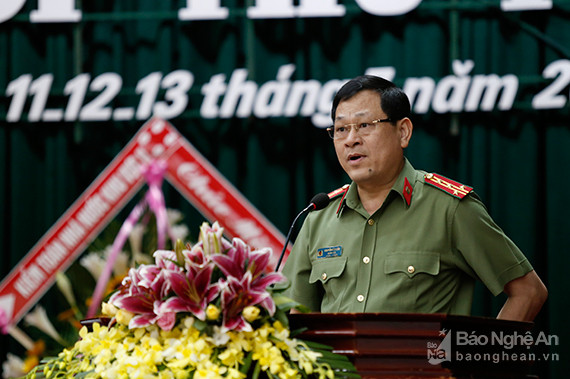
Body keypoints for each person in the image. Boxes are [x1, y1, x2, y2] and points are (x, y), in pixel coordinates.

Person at [282, 75, 547, 322]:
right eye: (340, 129)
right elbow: (295, 315)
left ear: (403, 132)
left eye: (364, 125)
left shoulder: (449, 209)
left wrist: (480, 364)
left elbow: (529, 291)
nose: (350, 140)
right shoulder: (318, 217)